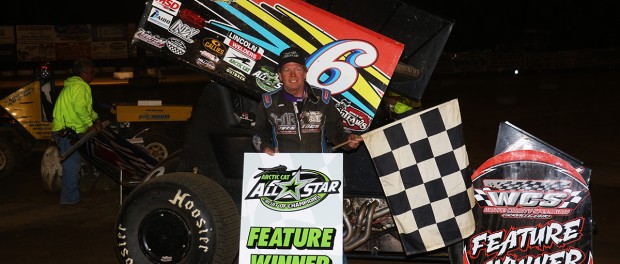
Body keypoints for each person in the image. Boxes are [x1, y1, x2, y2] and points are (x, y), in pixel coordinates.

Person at [252, 47, 362, 155]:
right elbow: (259, 134)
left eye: (298, 69)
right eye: (287, 70)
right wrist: (264, 147)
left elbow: (336, 131)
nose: (293, 74)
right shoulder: (268, 101)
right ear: (280, 75)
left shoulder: (323, 98)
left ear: (305, 73)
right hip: (285, 167)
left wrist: (348, 140)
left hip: (319, 166)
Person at [51, 58, 102, 207]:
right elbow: (80, 108)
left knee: (75, 162)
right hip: (66, 131)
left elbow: (86, 109)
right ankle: (70, 199)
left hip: (67, 129)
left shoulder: (73, 86)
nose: (93, 76)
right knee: (72, 165)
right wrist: (90, 125)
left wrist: (96, 118)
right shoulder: (81, 87)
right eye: (92, 72)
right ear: (85, 73)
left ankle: (73, 193)